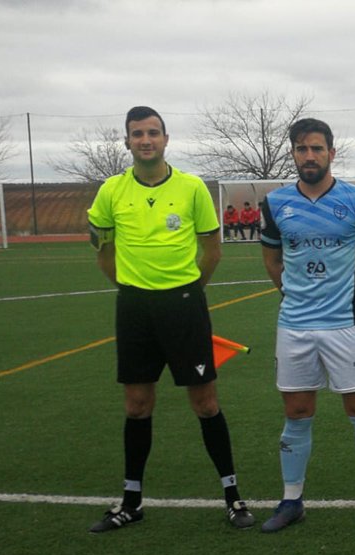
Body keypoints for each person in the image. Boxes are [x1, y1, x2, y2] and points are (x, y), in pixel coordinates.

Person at [86, 105, 253, 532]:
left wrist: (188, 291)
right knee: (137, 405)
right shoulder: (110, 191)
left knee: (206, 403)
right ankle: (131, 502)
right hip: (134, 309)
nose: (146, 140)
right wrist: (131, 287)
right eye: (137, 133)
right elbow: (103, 251)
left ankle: (233, 498)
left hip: (183, 307)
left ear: (165, 139)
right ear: (127, 140)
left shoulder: (192, 187)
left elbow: (212, 251)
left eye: (153, 132)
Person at [258, 118, 355, 532]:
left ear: (331, 153)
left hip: (345, 326)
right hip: (295, 326)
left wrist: (352, 299)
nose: (310, 156)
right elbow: (272, 260)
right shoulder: (275, 203)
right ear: (293, 154)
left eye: (317, 148)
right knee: (297, 412)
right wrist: (293, 295)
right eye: (302, 149)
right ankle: (291, 501)